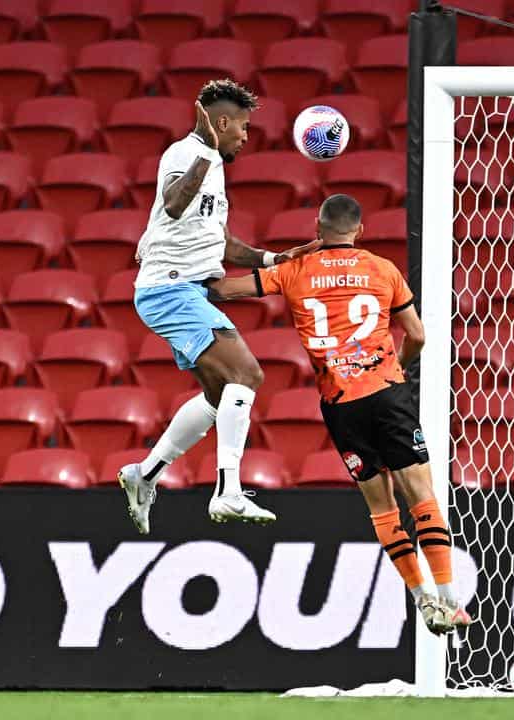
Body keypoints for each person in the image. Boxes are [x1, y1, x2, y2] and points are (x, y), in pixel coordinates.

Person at [208, 193, 471, 634]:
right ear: (360, 231)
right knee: (420, 493)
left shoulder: (294, 270)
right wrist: (396, 369)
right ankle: (449, 600)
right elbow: (418, 335)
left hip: (341, 404)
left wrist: (189, 259)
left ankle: (422, 600)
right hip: (387, 394)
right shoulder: (383, 270)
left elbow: (221, 290)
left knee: (382, 508)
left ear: (317, 227)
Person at [117, 79, 321, 533]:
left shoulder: (214, 167)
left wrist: (271, 258)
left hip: (183, 292)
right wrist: (207, 151)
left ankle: (143, 475)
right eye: (243, 128)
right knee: (247, 374)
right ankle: (228, 493)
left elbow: (217, 240)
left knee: (219, 395)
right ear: (221, 122)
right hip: (170, 290)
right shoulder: (184, 154)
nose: (246, 137)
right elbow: (172, 205)